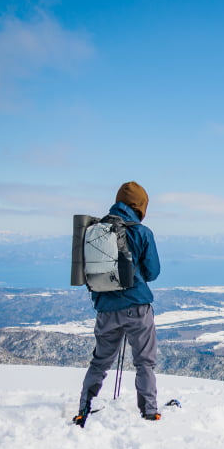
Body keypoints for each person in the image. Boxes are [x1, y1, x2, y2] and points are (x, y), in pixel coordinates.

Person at [74, 181, 162, 425]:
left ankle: (84, 406)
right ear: (141, 206)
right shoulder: (142, 232)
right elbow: (153, 272)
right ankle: (149, 411)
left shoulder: (93, 231)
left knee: (100, 361)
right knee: (145, 362)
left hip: (105, 309)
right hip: (137, 307)